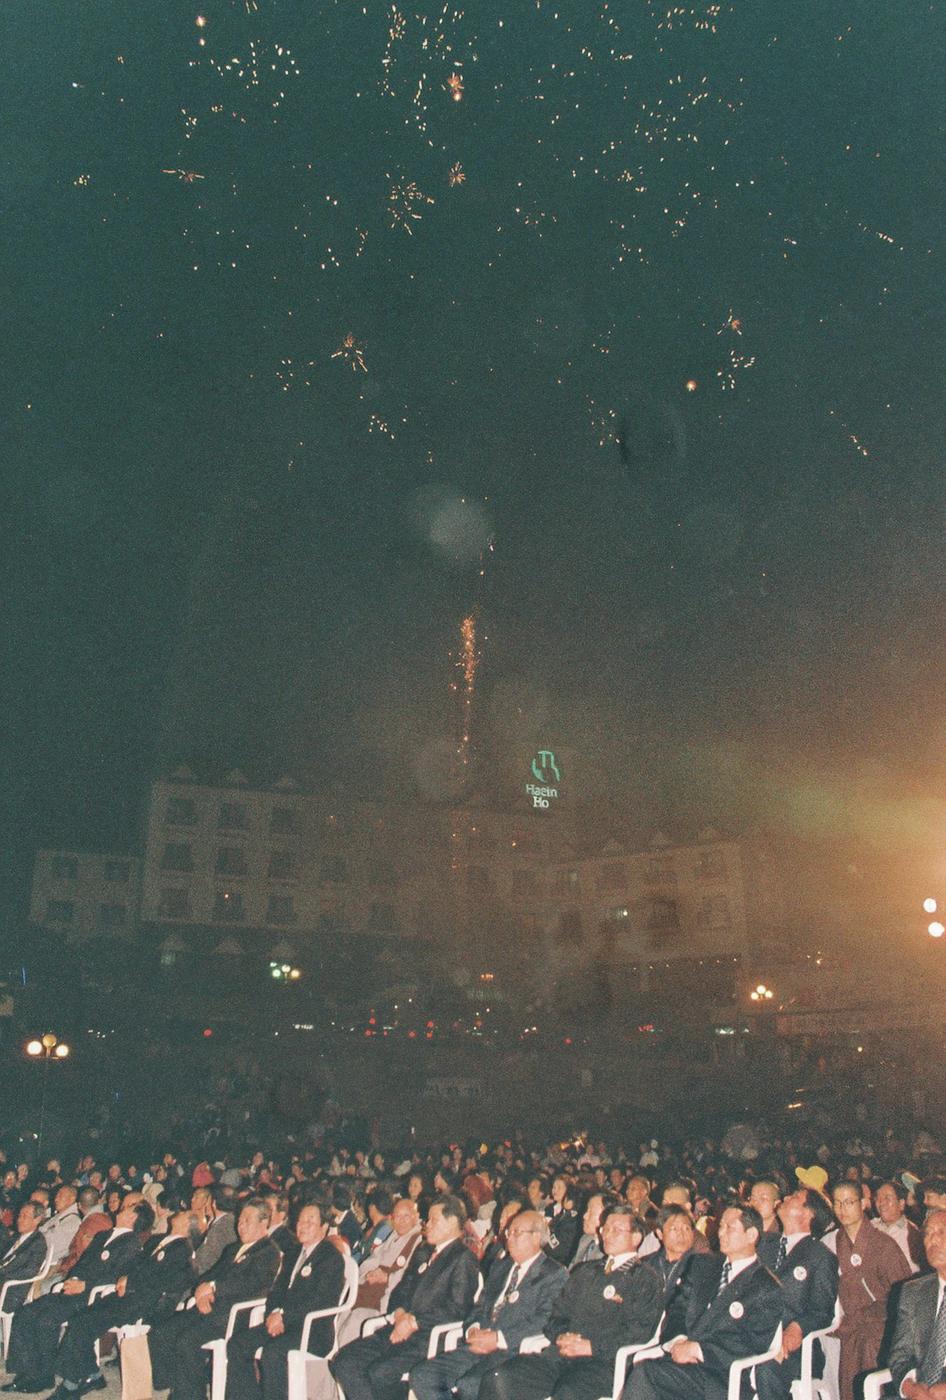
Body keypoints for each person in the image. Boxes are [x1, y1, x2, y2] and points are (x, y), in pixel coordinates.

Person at [479, 1204, 662, 1400]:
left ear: (636, 1238)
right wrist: (560, 1336)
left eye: (616, 1230)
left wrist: (591, 1346)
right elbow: (557, 1315)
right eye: (605, 1228)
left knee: (566, 1395)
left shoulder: (646, 1279)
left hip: (601, 1364)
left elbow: (639, 1333)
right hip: (560, 1355)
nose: (607, 1234)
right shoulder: (585, 1271)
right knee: (499, 1378)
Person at [330, 1194, 480, 1400]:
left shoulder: (463, 1258)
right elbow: (401, 1290)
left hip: (427, 1337)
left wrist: (413, 1322)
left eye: (433, 1220)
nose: (427, 1224)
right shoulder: (424, 1250)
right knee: (345, 1361)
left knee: (380, 1372)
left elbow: (458, 1308)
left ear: (452, 1222)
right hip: (398, 1327)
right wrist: (400, 1313)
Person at [624, 1205, 783, 1400]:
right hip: (680, 1364)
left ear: (751, 1235)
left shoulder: (766, 1286)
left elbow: (752, 1343)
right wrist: (679, 1340)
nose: (721, 1232)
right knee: (646, 1372)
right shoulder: (703, 1265)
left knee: (646, 1373)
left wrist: (698, 1350)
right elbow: (678, 1310)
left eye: (729, 1227)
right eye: (721, 1226)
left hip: (721, 1376)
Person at [408, 1210, 568, 1400]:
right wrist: (473, 1330)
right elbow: (479, 1306)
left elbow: (545, 1319)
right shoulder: (501, 1267)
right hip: (478, 1345)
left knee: (471, 1385)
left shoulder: (553, 1274)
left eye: (517, 1233)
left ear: (536, 1237)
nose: (510, 1238)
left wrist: (498, 1339)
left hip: (512, 1351)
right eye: (509, 1233)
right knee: (423, 1375)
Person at [3, 1201, 152, 1394]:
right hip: (73, 1289)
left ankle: (44, 1376)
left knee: (46, 1320)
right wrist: (72, 1279)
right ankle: (27, 1372)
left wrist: (84, 1285)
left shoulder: (132, 1243)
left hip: (93, 1297)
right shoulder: (103, 1235)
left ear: (133, 1217)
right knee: (25, 1312)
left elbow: (117, 1275)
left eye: (127, 1209)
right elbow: (82, 1263)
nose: (121, 1209)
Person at [47, 1209, 197, 1399]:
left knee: (85, 1323)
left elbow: (166, 1279)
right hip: (129, 1295)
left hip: (147, 1301)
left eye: (184, 1214)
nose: (180, 1212)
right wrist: (125, 1277)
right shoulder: (156, 1240)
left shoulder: (183, 1248)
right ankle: (92, 1374)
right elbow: (136, 1266)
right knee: (81, 1318)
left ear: (188, 1225)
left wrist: (131, 1282)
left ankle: (71, 1384)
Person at [148, 1198, 281, 1400]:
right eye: (240, 1220)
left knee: (187, 1341)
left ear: (264, 1223)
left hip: (234, 1316)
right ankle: (179, 1388)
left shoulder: (269, 1252)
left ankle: (190, 1396)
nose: (241, 1225)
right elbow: (209, 1275)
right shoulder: (232, 1249)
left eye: (247, 1220)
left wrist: (213, 1288)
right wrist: (202, 1289)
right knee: (161, 1333)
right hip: (207, 1307)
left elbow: (251, 1283)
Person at [224, 1197, 345, 1400]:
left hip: (312, 1330)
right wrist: (274, 1312)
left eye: (310, 1221)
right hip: (280, 1322)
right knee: (237, 1344)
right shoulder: (292, 1252)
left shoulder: (331, 1258)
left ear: (324, 1228)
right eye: (300, 1220)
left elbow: (320, 1301)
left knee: (273, 1353)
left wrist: (285, 1317)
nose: (303, 1225)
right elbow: (276, 1290)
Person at [754, 1188, 838, 1400]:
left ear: (808, 1213)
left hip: (796, 1348)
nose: (785, 1198)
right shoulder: (762, 1245)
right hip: (753, 1335)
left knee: (767, 1368)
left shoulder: (820, 1256)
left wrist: (796, 1328)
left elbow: (822, 1311)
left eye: (794, 1197)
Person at [832, 1181, 911, 1400]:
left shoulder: (884, 1245)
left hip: (878, 1333)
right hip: (848, 1331)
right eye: (837, 1203)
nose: (842, 1209)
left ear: (864, 1204)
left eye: (849, 1202)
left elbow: (903, 1295)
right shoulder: (832, 1242)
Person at [888, 1209, 946, 1397]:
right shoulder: (913, 1291)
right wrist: (911, 1388)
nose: (932, 1240)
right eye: (928, 1233)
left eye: (942, 1232)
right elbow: (899, 1356)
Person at [53, 1189, 112, 1279]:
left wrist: (62, 1267)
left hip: (77, 1274)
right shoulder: (103, 1219)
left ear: (79, 1205)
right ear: (99, 1201)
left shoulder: (92, 1222)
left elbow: (82, 1255)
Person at [0, 1203, 48, 1311]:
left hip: (10, 1291)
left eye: (24, 1216)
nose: (19, 1220)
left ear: (37, 1220)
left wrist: (3, 1272)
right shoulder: (17, 1237)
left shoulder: (38, 1242)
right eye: (19, 1216)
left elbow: (30, 1271)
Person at [875, 1182, 927, 1275]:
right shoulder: (870, 1225)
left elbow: (912, 1273)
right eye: (878, 1199)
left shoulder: (911, 1233)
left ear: (901, 1204)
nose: (881, 1203)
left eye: (887, 1198)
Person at [39, 1187, 82, 1270]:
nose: (56, 1199)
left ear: (72, 1199)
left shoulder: (73, 1221)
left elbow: (50, 1245)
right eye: (56, 1196)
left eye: (60, 1196)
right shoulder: (59, 1216)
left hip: (50, 1266)